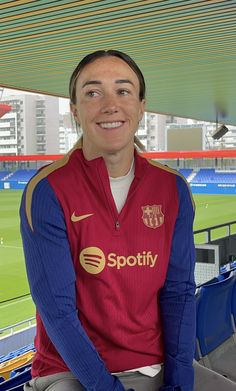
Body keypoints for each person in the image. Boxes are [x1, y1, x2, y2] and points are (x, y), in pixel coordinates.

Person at [20, 50, 236, 391]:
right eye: (93, 93)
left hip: (158, 366)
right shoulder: (47, 190)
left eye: (123, 91)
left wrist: (179, 381)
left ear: (141, 107)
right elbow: (57, 311)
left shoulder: (172, 188)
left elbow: (178, 293)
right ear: (75, 110)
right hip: (69, 372)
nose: (110, 104)